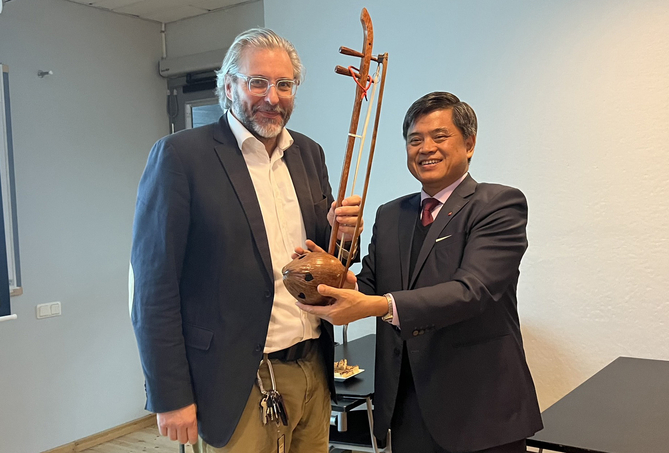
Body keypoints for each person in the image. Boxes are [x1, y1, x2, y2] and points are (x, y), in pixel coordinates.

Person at [130, 28, 362, 453]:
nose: (272, 97)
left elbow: (322, 256)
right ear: (229, 85)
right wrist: (170, 395)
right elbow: (151, 287)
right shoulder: (181, 157)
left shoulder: (309, 153)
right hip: (237, 380)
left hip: (312, 366)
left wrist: (343, 234)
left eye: (284, 84)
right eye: (258, 82)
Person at [297, 92, 543, 453]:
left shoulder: (498, 205)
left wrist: (379, 306)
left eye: (440, 136)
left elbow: (471, 291)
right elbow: (366, 286)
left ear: (469, 143)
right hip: (406, 409)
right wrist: (333, 264)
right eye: (415, 139)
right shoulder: (390, 214)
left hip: (480, 411)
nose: (426, 148)